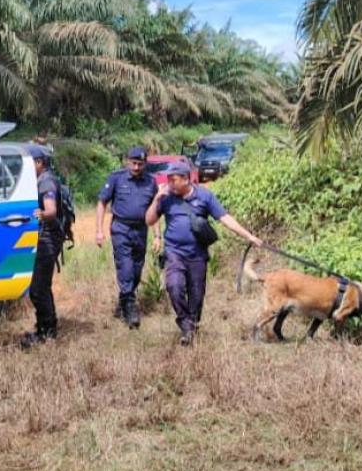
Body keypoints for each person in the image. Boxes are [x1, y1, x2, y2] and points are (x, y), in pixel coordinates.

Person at [146, 162, 263, 345]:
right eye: (168, 179)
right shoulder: (166, 197)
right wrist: (156, 200)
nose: (169, 183)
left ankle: (191, 325)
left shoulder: (205, 196)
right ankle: (186, 325)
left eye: (173, 179)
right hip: (174, 252)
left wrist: (249, 236)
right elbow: (149, 219)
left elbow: (225, 218)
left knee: (197, 294)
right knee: (174, 286)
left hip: (197, 254)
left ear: (185, 179)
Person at [96, 146, 161, 329]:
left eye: (140, 164)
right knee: (126, 267)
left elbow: (155, 210)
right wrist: (99, 231)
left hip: (141, 230)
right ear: (127, 161)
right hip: (121, 228)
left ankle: (123, 302)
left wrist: (157, 236)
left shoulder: (150, 182)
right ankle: (130, 310)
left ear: (145, 164)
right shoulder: (116, 178)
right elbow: (102, 203)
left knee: (137, 272)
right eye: (133, 163)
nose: (136, 167)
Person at [22, 145, 64, 348]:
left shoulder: (46, 181)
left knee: (38, 289)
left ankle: (46, 332)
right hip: (46, 237)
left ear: (39, 163)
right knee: (41, 287)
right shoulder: (41, 179)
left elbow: (51, 210)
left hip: (48, 239)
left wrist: (37, 214)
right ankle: (48, 327)